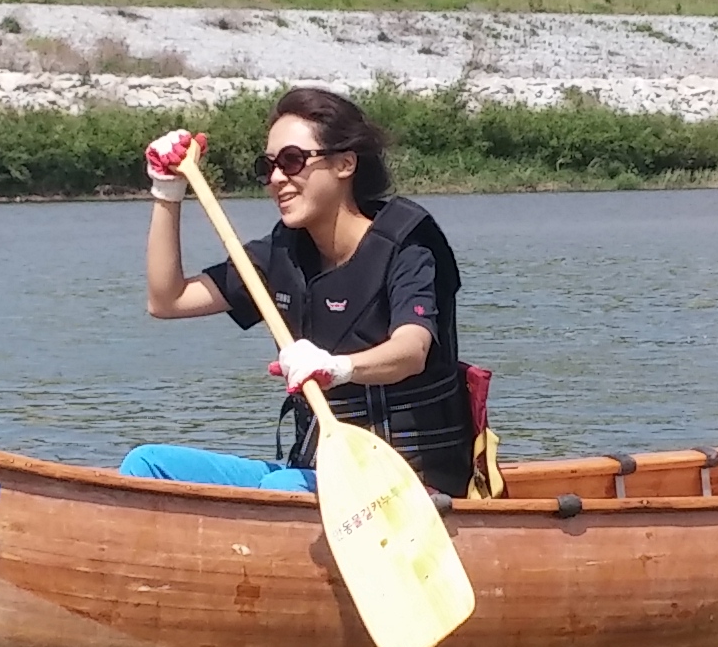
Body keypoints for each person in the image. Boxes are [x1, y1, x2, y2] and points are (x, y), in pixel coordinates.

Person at [118, 86, 478, 495]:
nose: (276, 179)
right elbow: (167, 300)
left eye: (292, 161)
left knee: (282, 487)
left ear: (344, 164)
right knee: (147, 464)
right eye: (268, 165)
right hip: (315, 474)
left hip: (409, 482)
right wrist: (167, 191)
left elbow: (411, 352)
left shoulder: (408, 246)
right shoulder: (281, 257)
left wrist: (336, 367)